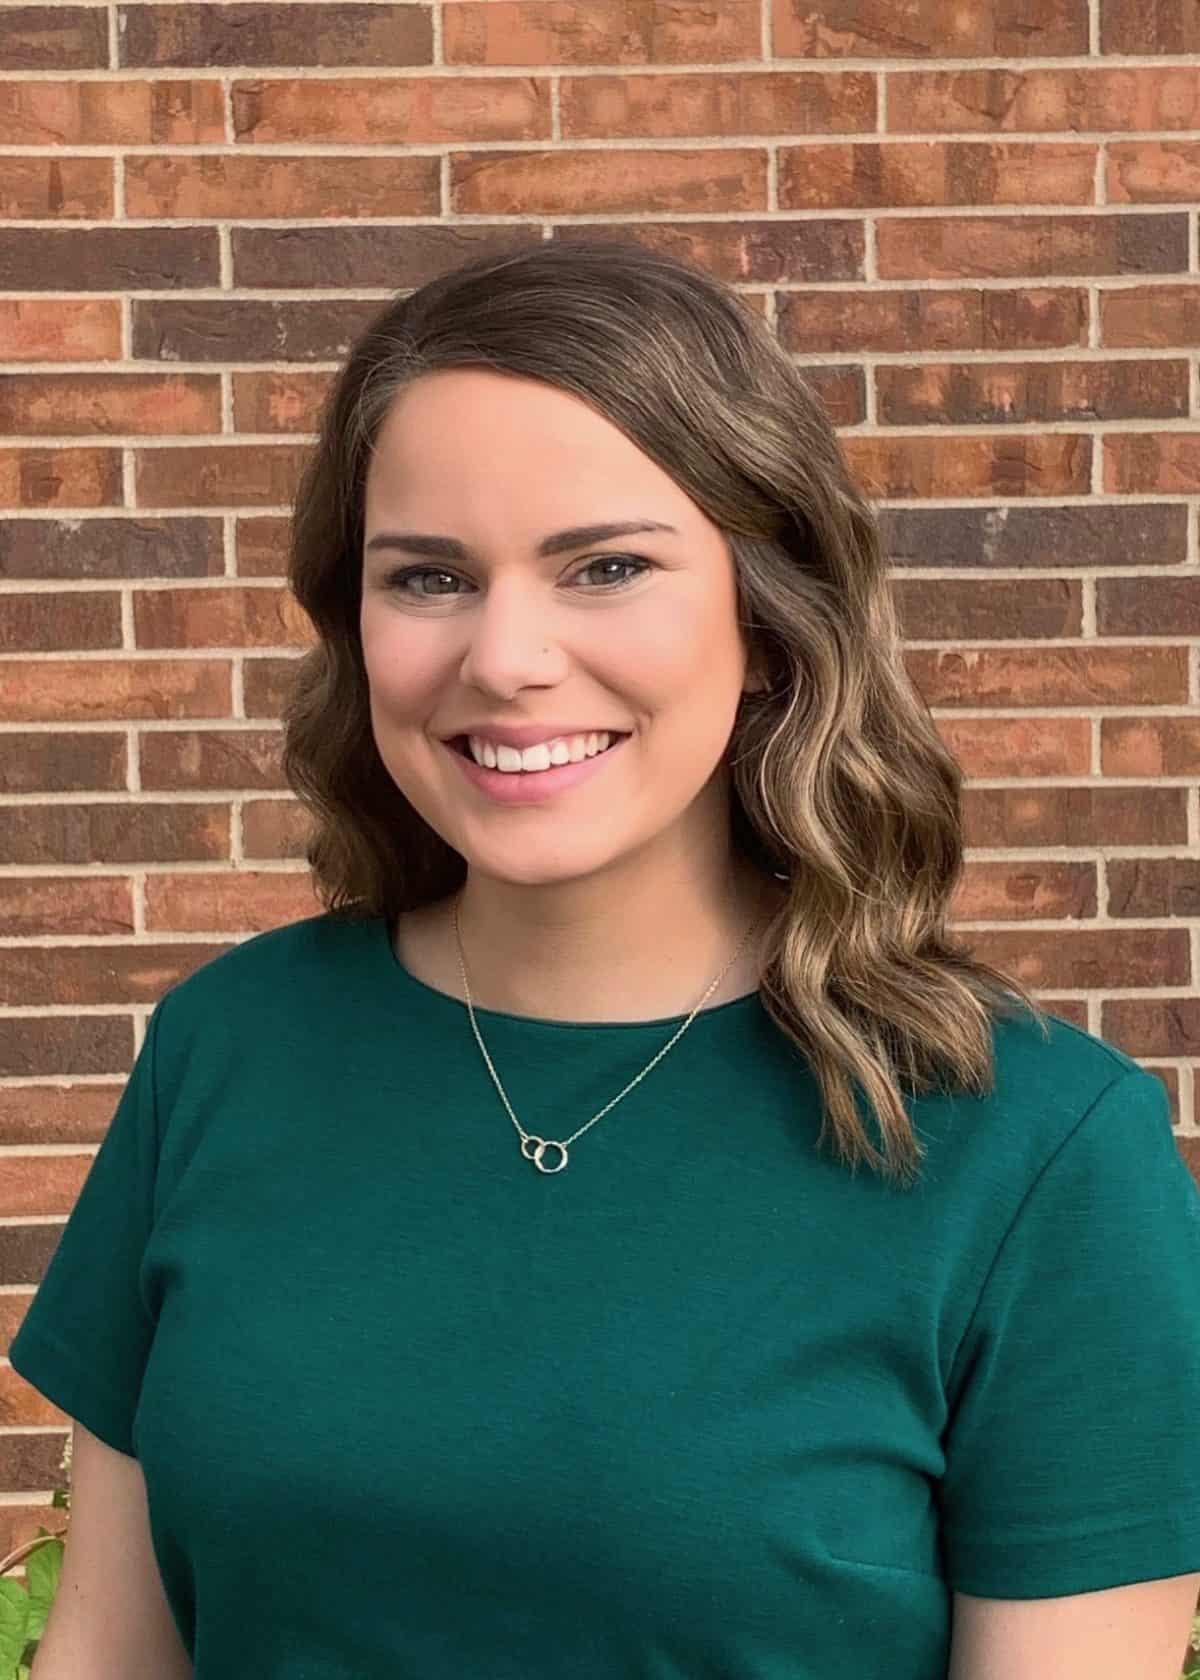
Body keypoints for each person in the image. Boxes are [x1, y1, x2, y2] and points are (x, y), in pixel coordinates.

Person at [10, 237, 1200, 1678]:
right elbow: (111, 1656)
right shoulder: (229, 1049)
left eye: (608, 567)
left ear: (769, 621)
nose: (508, 656)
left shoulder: (1033, 1148)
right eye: (431, 577)